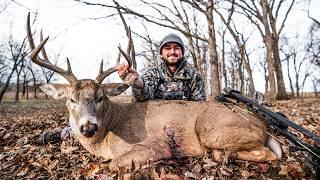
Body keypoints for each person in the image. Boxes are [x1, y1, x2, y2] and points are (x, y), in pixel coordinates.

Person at [39, 33, 206, 144]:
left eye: (177, 48)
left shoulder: (194, 75)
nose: (172, 52)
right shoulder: (153, 73)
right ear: (162, 53)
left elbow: (199, 107)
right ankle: (68, 132)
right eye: (167, 48)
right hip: (154, 119)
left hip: (182, 122)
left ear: (182, 52)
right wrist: (138, 83)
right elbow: (142, 98)